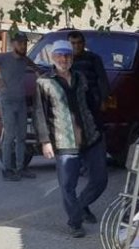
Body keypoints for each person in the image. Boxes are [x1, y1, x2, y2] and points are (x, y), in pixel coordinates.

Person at [33, 40, 108, 238]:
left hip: (90, 136)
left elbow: (91, 104)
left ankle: (81, 205)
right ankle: (75, 222)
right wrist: (45, 141)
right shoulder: (44, 82)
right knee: (68, 185)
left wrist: (100, 129)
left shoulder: (80, 77)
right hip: (63, 140)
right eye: (59, 55)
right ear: (53, 57)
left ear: (72, 58)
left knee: (100, 180)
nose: (63, 59)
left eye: (67, 55)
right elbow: (39, 113)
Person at [0, 30, 40, 181]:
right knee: (9, 136)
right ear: (13, 44)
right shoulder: (3, 58)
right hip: (7, 101)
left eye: (25, 43)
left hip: (21, 101)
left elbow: (36, 68)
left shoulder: (25, 60)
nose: (23, 46)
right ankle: (7, 169)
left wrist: (39, 73)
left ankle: (21, 168)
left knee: (21, 136)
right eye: (20, 43)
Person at [68, 30, 110, 128]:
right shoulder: (64, 59)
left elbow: (102, 79)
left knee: (93, 128)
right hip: (72, 100)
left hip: (91, 99)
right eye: (73, 43)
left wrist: (103, 100)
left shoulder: (93, 58)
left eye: (79, 43)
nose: (76, 46)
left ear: (84, 43)